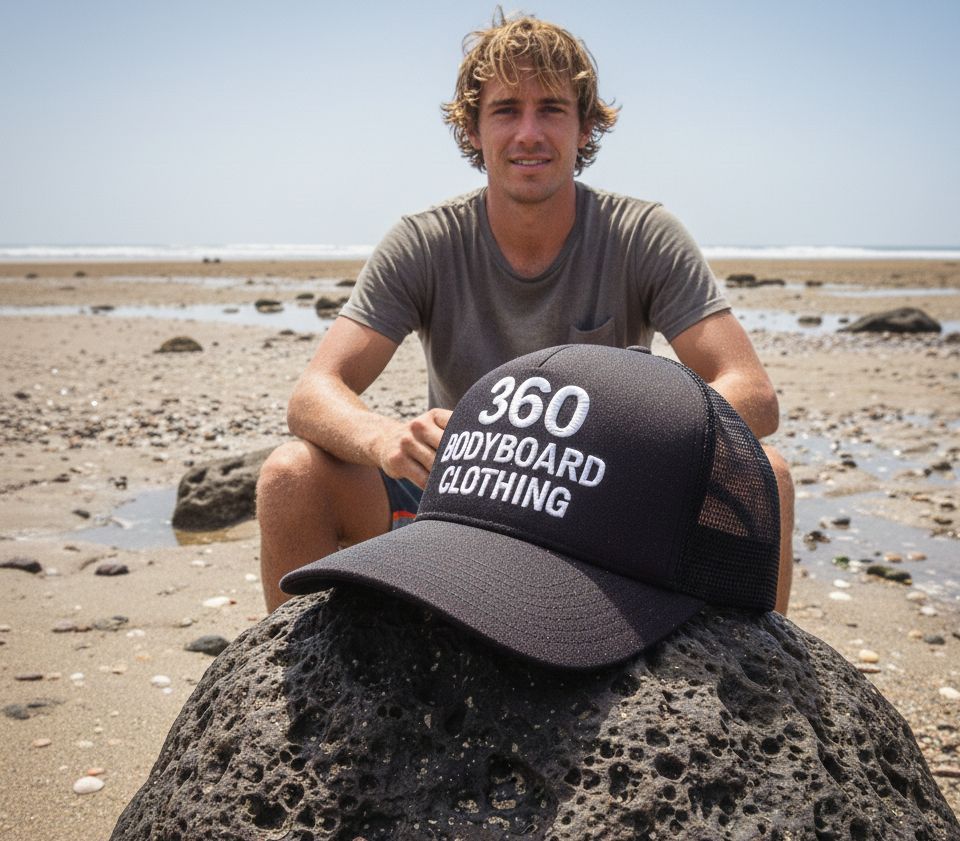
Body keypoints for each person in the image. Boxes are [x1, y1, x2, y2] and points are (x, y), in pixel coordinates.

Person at [256, 11, 794, 615]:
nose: (529, 133)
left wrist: (622, 450)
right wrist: (382, 437)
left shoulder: (642, 234)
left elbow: (752, 394)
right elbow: (314, 393)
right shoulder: (424, 241)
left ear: (586, 126)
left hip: (599, 498)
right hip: (460, 499)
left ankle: (756, 692)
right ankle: (296, 692)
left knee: (765, 475)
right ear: (474, 129)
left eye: (553, 109)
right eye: (507, 109)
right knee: (291, 474)